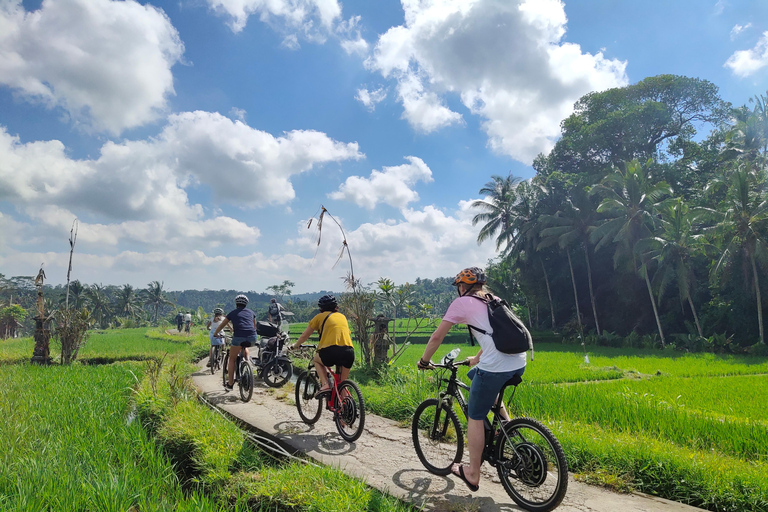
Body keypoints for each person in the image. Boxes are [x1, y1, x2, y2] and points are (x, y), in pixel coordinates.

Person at [417, 267, 526, 493]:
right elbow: (495, 334)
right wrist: (476, 358)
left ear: (462, 287)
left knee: (475, 416)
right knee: (475, 375)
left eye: (459, 287)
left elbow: (437, 336)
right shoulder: (493, 299)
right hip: (518, 362)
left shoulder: (461, 303)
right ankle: (506, 426)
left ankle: (473, 474)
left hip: (495, 366)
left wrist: (424, 360)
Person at [292, 294, 354, 398]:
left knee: (316, 360)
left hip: (330, 352)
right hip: (348, 352)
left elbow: (305, 335)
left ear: (321, 308)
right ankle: (347, 409)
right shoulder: (342, 317)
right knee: (342, 384)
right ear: (336, 307)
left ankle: (325, 385)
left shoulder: (319, 317)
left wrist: (295, 345)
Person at [213, 294, 257, 391]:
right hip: (252, 337)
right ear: (246, 304)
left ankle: (230, 384)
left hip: (238, 337)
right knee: (245, 347)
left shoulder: (232, 313)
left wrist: (215, 333)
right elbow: (254, 327)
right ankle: (247, 361)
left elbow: (221, 326)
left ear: (236, 303)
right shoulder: (251, 312)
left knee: (232, 359)